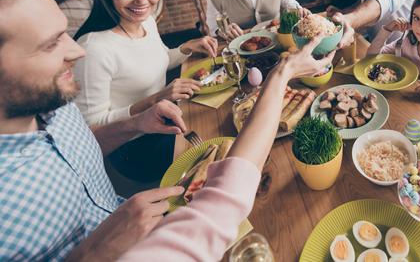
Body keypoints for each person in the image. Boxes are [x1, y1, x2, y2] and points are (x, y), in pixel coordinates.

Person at [0, 0, 187, 260]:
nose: (77, 50)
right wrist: (93, 253)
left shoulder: (56, 107)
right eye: (50, 44)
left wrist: (137, 123)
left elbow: (83, 145)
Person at [112, 36, 334, 261]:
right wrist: (281, 73)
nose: (77, 51)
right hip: (138, 158)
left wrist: (183, 48)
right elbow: (225, 200)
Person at [73, 0, 218, 182]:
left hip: (167, 115)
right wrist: (155, 99)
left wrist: (188, 47)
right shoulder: (93, 49)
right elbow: (92, 129)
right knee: (218, 145)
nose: (141, 0)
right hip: (134, 148)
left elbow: (157, 61)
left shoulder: (147, 21)